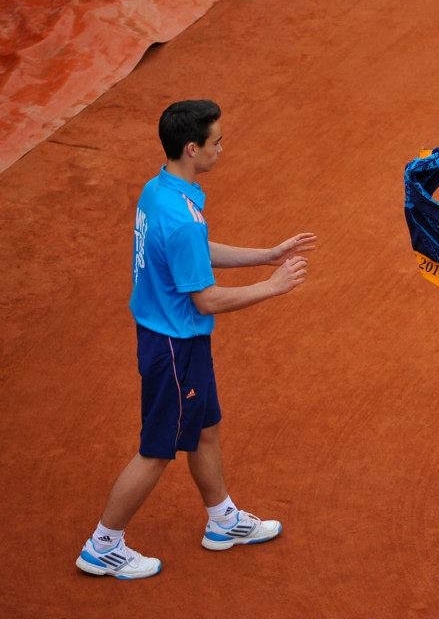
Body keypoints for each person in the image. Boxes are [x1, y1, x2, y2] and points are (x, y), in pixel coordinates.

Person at [76, 100, 315, 578]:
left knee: (205, 427)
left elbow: (195, 253)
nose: (222, 147)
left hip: (171, 335)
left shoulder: (160, 189)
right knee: (156, 450)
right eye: (217, 140)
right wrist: (272, 286)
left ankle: (222, 520)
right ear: (192, 147)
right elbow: (205, 299)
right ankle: (103, 545)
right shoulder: (181, 217)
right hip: (174, 346)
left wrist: (266, 255)